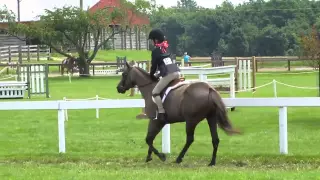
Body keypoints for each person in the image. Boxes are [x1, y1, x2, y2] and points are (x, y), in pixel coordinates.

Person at [148, 29, 180, 122]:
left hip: (168, 74)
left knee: (155, 92)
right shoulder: (166, 47)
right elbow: (164, 63)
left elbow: (154, 66)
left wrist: (151, 75)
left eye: (152, 40)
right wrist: (158, 74)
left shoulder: (156, 51)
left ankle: (161, 112)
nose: (152, 42)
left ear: (156, 40)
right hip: (176, 72)